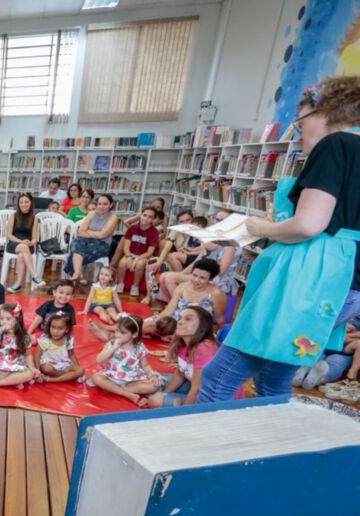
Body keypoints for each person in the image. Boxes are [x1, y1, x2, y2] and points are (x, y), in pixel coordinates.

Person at [200, 78, 360, 401]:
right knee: (274, 377)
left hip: (311, 278)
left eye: (301, 122)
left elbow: (309, 225)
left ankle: (198, 450)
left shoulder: (336, 145)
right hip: (344, 285)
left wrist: (260, 228)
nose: (298, 133)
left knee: (218, 378)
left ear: (325, 111)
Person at [147, 306, 218, 408]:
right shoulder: (184, 343)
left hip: (210, 398)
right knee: (154, 381)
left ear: (202, 326)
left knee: (155, 400)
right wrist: (164, 393)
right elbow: (180, 374)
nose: (179, 322)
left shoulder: (205, 347)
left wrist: (185, 413)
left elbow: (197, 388)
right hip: (193, 384)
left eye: (188, 319)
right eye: (179, 318)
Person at [89, 315, 163, 407]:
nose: (117, 335)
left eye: (123, 333)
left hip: (131, 380)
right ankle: (126, 394)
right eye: (116, 331)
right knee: (96, 378)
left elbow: (145, 365)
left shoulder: (139, 347)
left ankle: (114, 389)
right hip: (112, 377)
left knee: (153, 386)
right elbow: (99, 360)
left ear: (134, 334)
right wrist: (114, 348)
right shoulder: (112, 343)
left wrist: (153, 375)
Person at [144, 258, 227, 337]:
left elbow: (220, 320)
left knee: (155, 329)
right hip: (173, 322)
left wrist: (223, 339)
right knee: (142, 326)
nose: (196, 280)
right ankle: (163, 334)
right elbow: (168, 311)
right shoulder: (182, 286)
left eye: (202, 278)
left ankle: (165, 335)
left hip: (194, 328)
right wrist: (155, 322)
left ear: (210, 278)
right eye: (194, 275)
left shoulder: (216, 293)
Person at [0, 304, 39, 388]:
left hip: (15, 367)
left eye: (8, 319)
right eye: (1, 318)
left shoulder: (24, 337)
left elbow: (28, 354)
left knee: (30, 374)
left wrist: (32, 367)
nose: (4, 322)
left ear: (17, 320)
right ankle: (12, 382)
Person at [64, 193, 120, 283]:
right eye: (99, 204)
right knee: (76, 241)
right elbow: (80, 232)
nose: (101, 206)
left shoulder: (114, 218)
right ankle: (78, 272)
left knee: (76, 251)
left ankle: (75, 273)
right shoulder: (91, 214)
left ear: (111, 205)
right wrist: (96, 234)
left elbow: (103, 235)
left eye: (105, 204)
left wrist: (88, 232)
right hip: (86, 242)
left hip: (102, 245)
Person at [115, 206, 162, 297]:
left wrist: (136, 259)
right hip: (131, 254)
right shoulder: (132, 228)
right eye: (144, 215)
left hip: (144, 256)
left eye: (150, 217)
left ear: (153, 219)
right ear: (140, 216)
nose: (146, 218)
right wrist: (129, 257)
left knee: (140, 264)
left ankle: (135, 286)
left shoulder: (154, 232)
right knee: (122, 263)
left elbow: (149, 252)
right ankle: (120, 283)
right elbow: (126, 247)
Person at [5, 193, 43, 292]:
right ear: (18, 204)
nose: (23, 204)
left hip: (27, 245)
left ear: (31, 203)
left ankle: (17, 284)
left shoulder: (35, 219)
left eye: (26, 202)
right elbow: (9, 235)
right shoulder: (13, 216)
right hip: (14, 243)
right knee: (23, 247)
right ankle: (35, 276)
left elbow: (35, 238)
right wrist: (21, 242)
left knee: (22, 255)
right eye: (21, 202)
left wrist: (31, 242)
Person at [35, 312, 84, 383]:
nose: (55, 331)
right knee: (46, 368)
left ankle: (51, 379)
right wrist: (38, 372)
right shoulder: (45, 339)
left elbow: (71, 354)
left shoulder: (68, 340)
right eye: (53, 327)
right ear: (49, 327)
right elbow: (37, 355)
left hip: (64, 365)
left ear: (67, 329)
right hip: (49, 365)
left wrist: (77, 368)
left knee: (81, 370)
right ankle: (67, 377)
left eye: (60, 329)